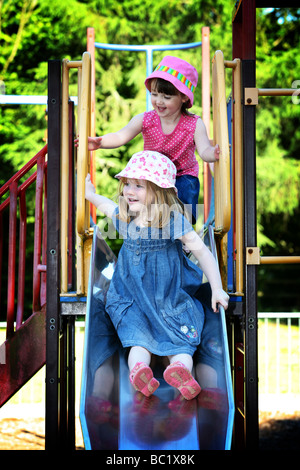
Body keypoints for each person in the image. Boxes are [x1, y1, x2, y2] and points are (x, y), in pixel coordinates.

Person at [85, 150, 229, 400]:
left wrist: (216, 288)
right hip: (141, 302)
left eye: (139, 186)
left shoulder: (172, 220)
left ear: (160, 192)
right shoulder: (127, 215)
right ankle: (170, 370)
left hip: (162, 300)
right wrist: (90, 195)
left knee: (142, 343)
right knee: (172, 343)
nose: (129, 191)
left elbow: (204, 253)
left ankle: (156, 370)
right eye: (127, 184)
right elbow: (106, 206)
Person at [78, 55, 220, 224]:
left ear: (184, 97)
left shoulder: (194, 124)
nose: (159, 101)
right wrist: (101, 142)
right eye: (154, 94)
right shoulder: (146, 119)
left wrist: (215, 153)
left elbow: (204, 151)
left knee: (186, 188)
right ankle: (141, 227)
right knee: (140, 194)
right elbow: (121, 135)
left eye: (167, 97)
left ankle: (184, 229)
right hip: (152, 177)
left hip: (182, 175)